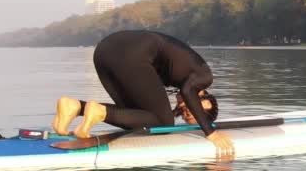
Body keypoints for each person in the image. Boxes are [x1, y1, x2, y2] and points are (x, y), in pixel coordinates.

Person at [53, 30, 235, 159]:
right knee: (164, 123)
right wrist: (211, 133)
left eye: (187, 113)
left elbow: (148, 111)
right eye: (196, 105)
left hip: (106, 48)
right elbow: (188, 91)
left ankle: (76, 107)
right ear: (204, 94)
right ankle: (99, 112)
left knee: (135, 113)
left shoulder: (179, 74)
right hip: (130, 52)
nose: (186, 107)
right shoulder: (204, 77)